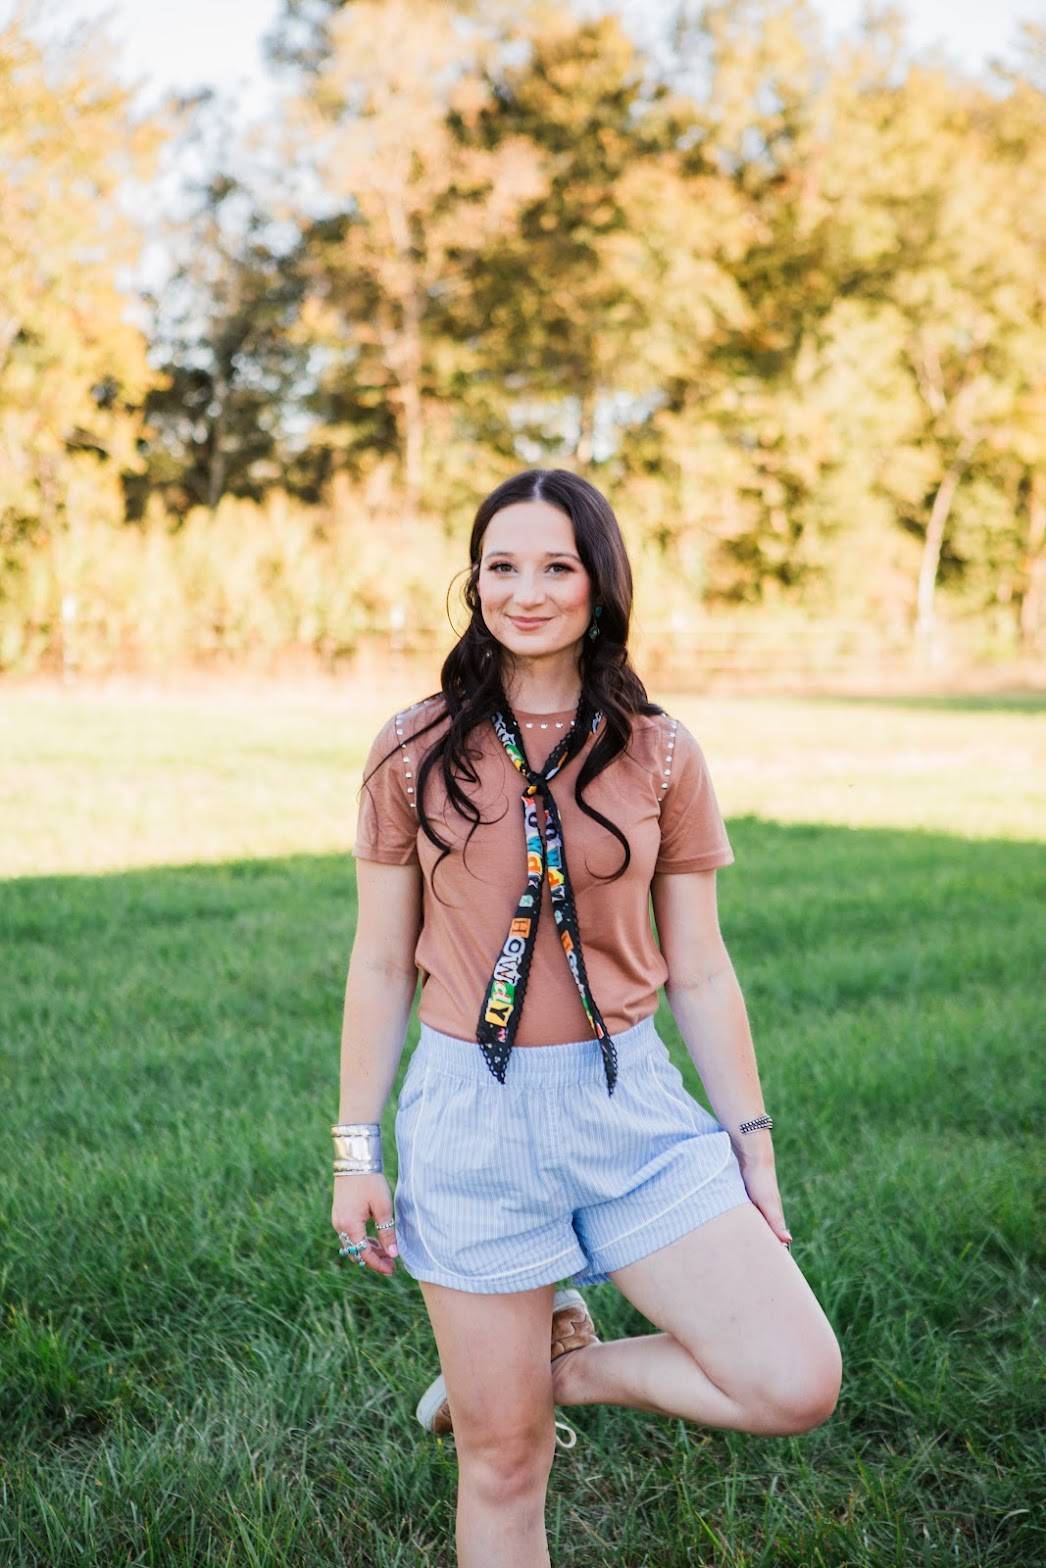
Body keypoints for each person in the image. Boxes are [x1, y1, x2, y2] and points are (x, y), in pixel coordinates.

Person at [332, 469, 842, 1568]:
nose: (523, 590)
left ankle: (556, 1365)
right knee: (503, 1463)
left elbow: (699, 969)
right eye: (499, 565)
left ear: (599, 584)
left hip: (634, 1108)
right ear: (472, 582)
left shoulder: (659, 751)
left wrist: (749, 1144)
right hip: (470, 1116)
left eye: (554, 565)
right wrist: (354, 1147)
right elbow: (378, 963)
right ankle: (507, 1385)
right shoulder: (412, 745)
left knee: (793, 1378)